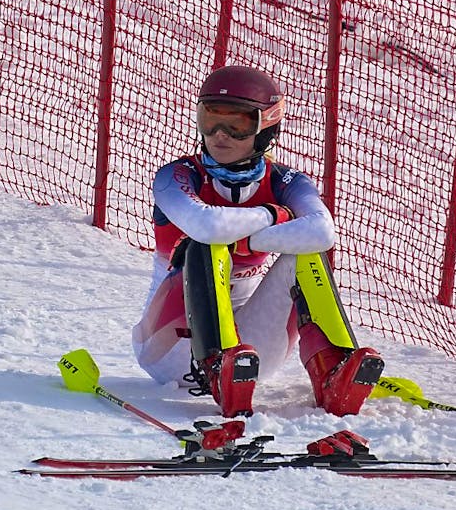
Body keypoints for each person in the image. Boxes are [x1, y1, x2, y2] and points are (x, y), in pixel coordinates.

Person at [131, 65, 384, 418]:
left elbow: (322, 232)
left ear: (266, 127)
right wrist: (270, 215)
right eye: (210, 120)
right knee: (205, 244)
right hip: (168, 350)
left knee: (305, 254)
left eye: (237, 124)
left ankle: (332, 369)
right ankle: (216, 364)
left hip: (249, 357)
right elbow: (206, 225)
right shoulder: (176, 176)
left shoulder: (286, 181)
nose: (219, 135)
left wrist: (244, 240)